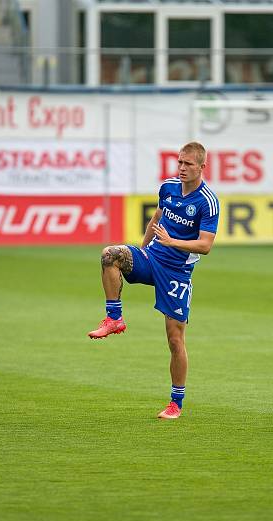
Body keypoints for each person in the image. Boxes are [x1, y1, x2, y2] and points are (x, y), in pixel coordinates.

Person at [87, 142, 219, 420]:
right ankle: (114, 318)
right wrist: (144, 248)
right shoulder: (168, 187)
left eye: (188, 164)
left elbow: (206, 246)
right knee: (110, 255)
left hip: (177, 273)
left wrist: (174, 242)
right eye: (180, 162)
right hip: (152, 258)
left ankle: (176, 404)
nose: (182, 168)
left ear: (202, 167)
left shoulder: (207, 202)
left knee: (174, 339)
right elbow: (155, 219)